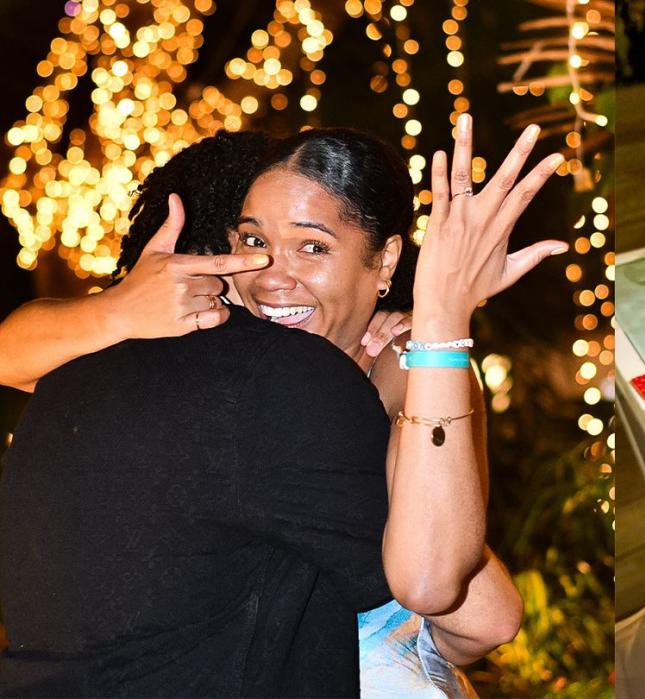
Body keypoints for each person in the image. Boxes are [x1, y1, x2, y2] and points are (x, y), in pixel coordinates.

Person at [0, 118, 565, 694]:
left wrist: (442, 322)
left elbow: (469, 609)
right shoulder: (227, 361)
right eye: (253, 242)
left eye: (312, 246)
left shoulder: (408, 361)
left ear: (386, 261)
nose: (272, 276)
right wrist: (118, 310)